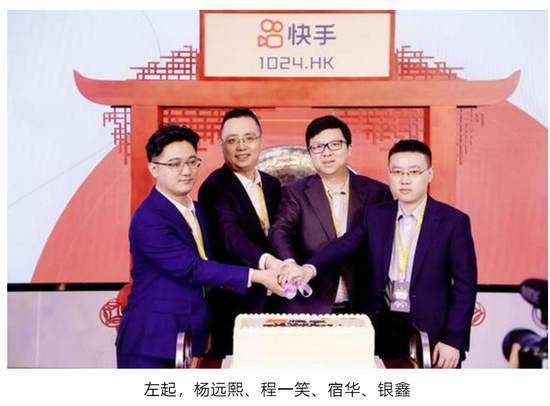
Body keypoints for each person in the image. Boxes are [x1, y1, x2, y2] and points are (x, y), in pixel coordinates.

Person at [284, 139, 478, 368]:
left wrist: (453, 340)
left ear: (429, 174)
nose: (404, 180)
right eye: (397, 172)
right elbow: (345, 245)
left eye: (414, 172)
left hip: (432, 332)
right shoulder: (377, 215)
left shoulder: (453, 221)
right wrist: (309, 269)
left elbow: (465, 285)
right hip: (381, 325)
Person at [115, 124, 284, 368]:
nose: (186, 171)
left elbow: (218, 259)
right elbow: (193, 268)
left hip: (189, 333)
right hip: (150, 339)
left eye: (192, 162)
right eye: (174, 164)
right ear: (154, 168)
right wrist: (259, 276)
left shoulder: (199, 211)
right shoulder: (149, 218)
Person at [268, 115, 392, 314]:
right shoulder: (295, 192)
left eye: (334, 144)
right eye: (317, 147)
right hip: (310, 303)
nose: (326, 153)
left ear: (349, 148)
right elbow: (280, 231)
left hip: (363, 305)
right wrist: (290, 264)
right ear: (310, 153)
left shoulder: (377, 193)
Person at [198, 108, 282, 357]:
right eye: (232, 140)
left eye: (249, 138)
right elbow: (231, 237)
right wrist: (269, 262)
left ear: (261, 141)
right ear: (222, 145)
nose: (241, 146)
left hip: (278, 303)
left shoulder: (273, 184)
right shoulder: (214, 187)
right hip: (236, 307)